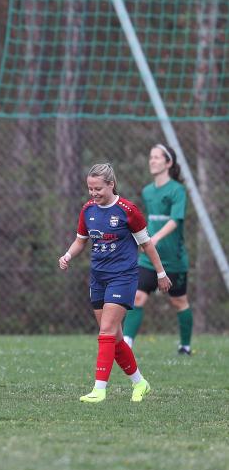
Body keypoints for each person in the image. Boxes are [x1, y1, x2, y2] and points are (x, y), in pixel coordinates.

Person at [59, 163, 171, 403]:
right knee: (115, 338)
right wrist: (68, 255)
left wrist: (161, 273)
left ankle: (99, 389)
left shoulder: (128, 210)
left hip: (123, 277)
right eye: (90, 189)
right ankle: (140, 384)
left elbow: (147, 244)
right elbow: (81, 241)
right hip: (98, 277)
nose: (93, 193)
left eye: (98, 188)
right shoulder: (88, 210)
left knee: (106, 332)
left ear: (111, 184)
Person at [122, 144, 194, 354]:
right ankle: (126, 344)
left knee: (179, 301)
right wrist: (145, 241)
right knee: (137, 297)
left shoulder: (177, 190)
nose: (152, 161)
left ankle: (186, 346)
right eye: (150, 157)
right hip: (149, 258)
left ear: (168, 163)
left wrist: (155, 238)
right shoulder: (147, 191)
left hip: (174, 259)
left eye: (157, 157)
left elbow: (174, 221)